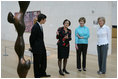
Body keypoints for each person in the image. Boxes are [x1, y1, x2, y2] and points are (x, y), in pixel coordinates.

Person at [29, 14, 51, 78]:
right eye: (45, 19)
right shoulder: (35, 27)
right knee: (37, 62)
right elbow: (32, 38)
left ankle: (42, 73)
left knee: (43, 61)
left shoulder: (40, 26)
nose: (45, 21)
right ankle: (37, 75)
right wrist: (32, 47)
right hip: (37, 48)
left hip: (41, 47)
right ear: (42, 19)